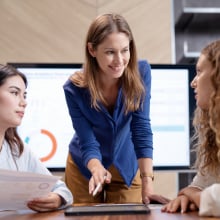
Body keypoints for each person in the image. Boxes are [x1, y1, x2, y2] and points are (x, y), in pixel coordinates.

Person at [63, 13, 168, 204]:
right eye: (110, 52)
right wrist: (96, 168)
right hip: (85, 165)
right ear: (92, 50)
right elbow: (87, 141)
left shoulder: (141, 72)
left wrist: (147, 180)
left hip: (126, 163)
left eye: (125, 50)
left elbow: (141, 128)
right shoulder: (74, 88)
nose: (119, 60)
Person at [0, 64, 73, 212]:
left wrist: (58, 199)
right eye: (15, 93)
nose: (24, 102)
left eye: (24, 95)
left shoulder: (17, 149)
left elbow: (62, 189)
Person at [161, 40, 220, 217]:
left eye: (200, 72)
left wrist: (192, 195)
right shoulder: (214, 131)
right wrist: (188, 195)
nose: (193, 82)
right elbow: (202, 183)